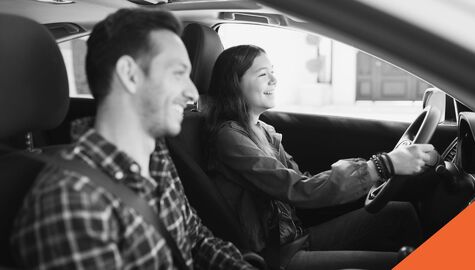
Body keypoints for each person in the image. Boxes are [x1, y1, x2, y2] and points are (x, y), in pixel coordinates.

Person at [11, 9, 256, 270]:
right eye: (177, 73)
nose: (192, 91)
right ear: (129, 74)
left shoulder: (157, 159)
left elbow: (195, 240)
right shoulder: (72, 200)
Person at [205, 45, 435, 269]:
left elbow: (303, 179)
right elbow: (297, 188)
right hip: (276, 256)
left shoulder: (263, 130)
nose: (274, 80)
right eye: (263, 74)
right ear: (234, 83)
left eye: (273, 71)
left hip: (296, 237)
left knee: (400, 213)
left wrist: (373, 171)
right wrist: (382, 166)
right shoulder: (230, 137)